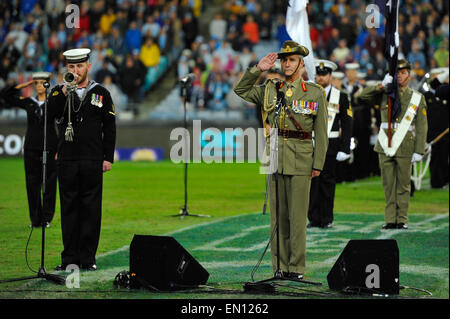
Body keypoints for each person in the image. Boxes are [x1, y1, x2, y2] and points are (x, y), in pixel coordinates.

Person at [234, 40, 328, 279]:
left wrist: (318, 164)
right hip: (275, 156)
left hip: (301, 158)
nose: (287, 63)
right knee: (278, 219)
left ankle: (295, 268)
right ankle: (279, 267)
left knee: (297, 219)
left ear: (301, 63)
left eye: (292, 60)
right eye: (284, 60)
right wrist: (259, 69)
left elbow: (322, 133)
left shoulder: (314, 92)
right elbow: (240, 90)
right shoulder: (269, 87)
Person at [47, 48, 116, 271]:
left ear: (88, 66)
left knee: (91, 210)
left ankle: (87, 259)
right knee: (69, 210)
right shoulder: (59, 92)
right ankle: (69, 259)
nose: (75, 71)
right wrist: (65, 92)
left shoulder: (102, 93)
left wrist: (108, 157)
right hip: (67, 160)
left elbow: (110, 127)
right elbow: (49, 115)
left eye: (79, 66)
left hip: (92, 160)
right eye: (71, 67)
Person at [357, 59, 427, 230]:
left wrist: (419, 150)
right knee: (388, 184)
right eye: (397, 72)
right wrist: (381, 86)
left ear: (409, 75)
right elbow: (362, 96)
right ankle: (390, 219)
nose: (400, 76)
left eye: (403, 72)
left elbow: (422, 125)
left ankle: (401, 219)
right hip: (385, 143)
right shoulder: (384, 93)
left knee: (403, 184)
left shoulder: (417, 97)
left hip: (405, 144)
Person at [0, 72, 57, 228]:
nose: (38, 85)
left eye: (41, 82)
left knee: (50, 184)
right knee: (32, 184)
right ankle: (35, 219)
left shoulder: (54, 102)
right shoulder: (28, 102)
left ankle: (46, 218)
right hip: (31, 148)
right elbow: (5, 95)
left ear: (47, 84)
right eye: (36, 82)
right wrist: (23, 84)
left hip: (50, 148)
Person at [308, 60, 353, 229]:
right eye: (318, 75)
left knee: (327, 183)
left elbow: (347, 124)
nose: (321, 78)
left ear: (330, 76)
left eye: (324, 75)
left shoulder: (341, 97)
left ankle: (326, 218)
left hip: (331, 144)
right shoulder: (309, 94)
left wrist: (345, 147)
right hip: (311, 144)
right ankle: (313, 218)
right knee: (312, 183)